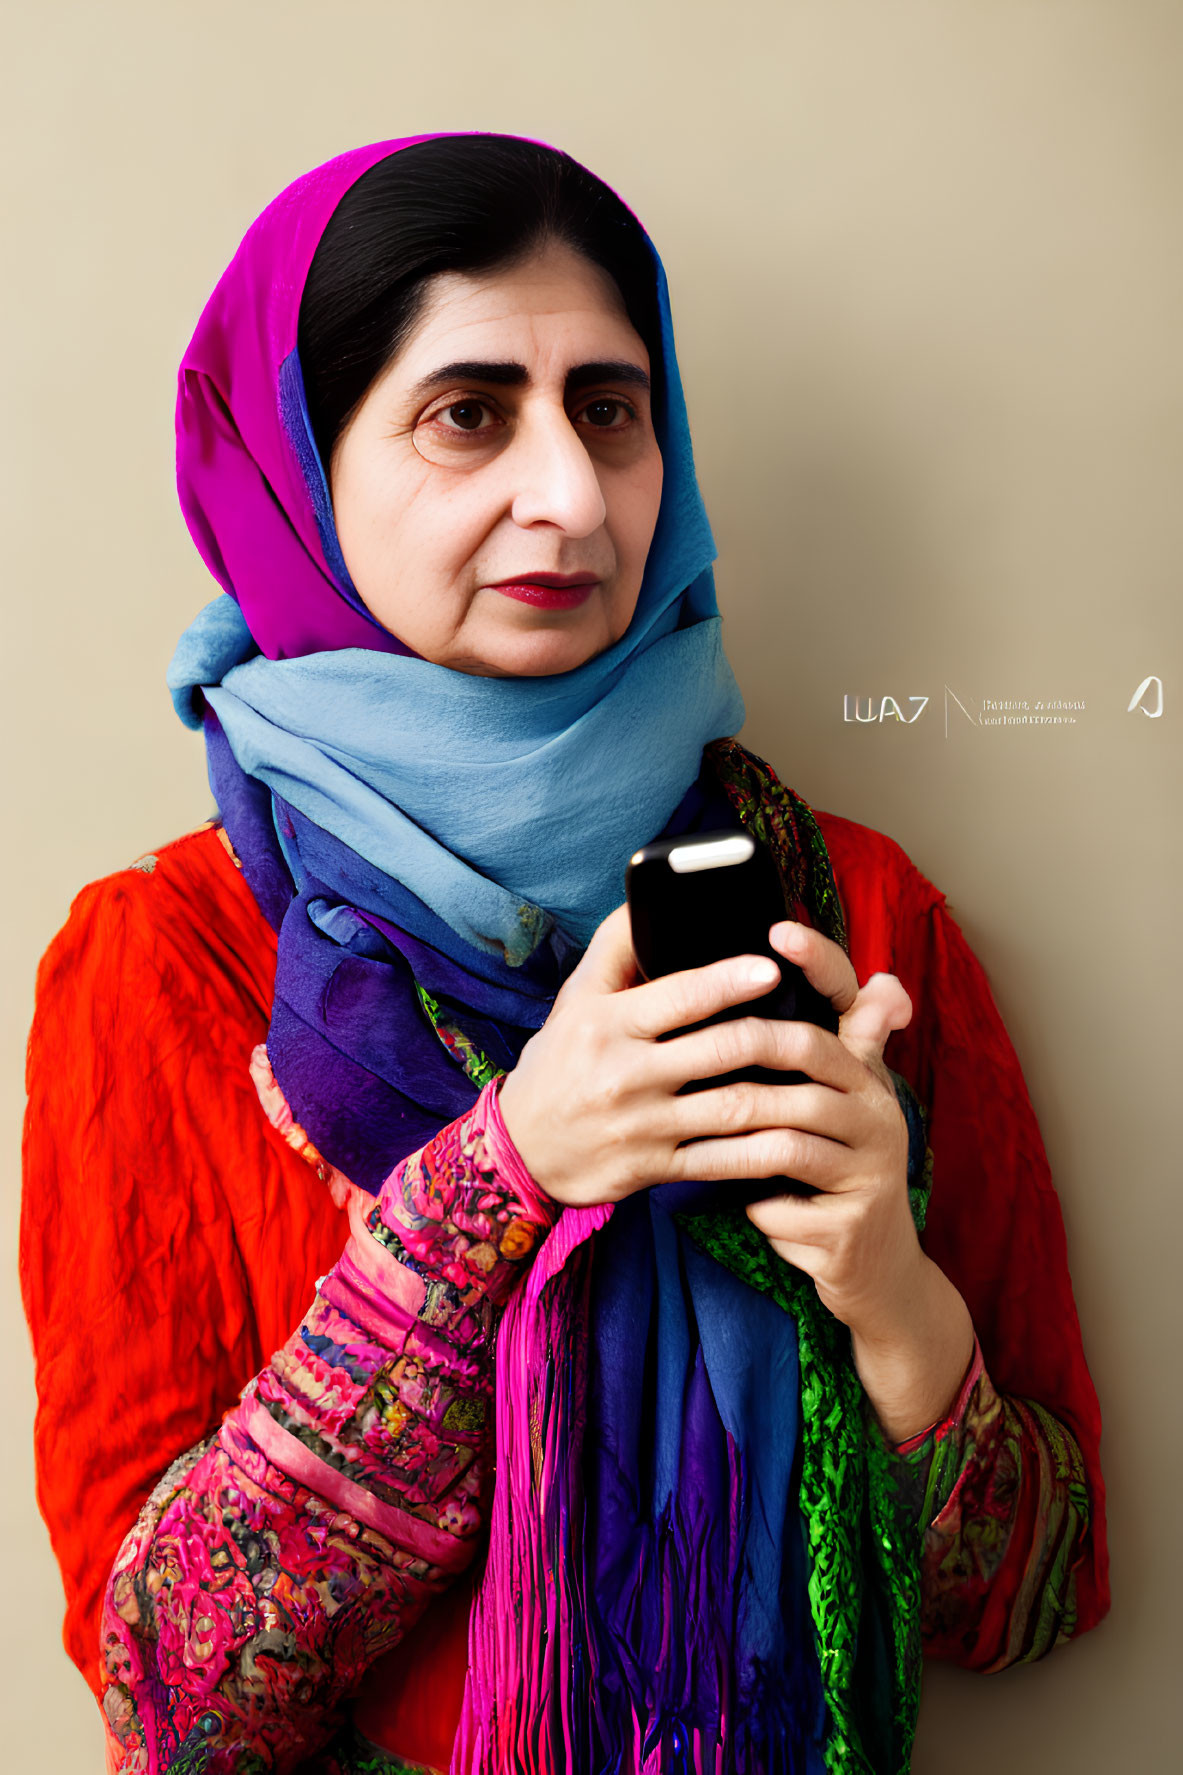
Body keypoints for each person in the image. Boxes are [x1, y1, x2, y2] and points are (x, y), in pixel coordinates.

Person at [21, 133, 1107, 1775]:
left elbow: (1033, 1598)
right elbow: (176, 1698)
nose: (574, 496)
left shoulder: (859, 917)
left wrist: (891, 1296)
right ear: (299, 469)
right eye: (469, 414)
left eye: (611, 407)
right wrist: (507, 1171)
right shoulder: (163, 960)